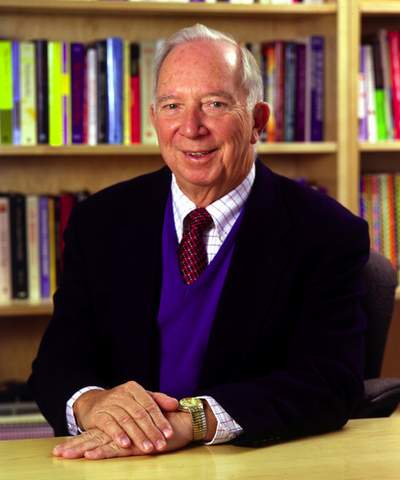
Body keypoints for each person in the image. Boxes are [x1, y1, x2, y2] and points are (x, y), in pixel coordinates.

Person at [29, 24, 370, 460]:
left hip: (252, 463)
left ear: (257, 121)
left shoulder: (326, 232)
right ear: (154, 119)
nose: (191, 127)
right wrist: (92, 404)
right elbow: (57, 362)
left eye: (215, 104)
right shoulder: (99, 221)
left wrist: (194, 420)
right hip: (121, 464)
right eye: (172, 105)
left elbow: (331, 380)